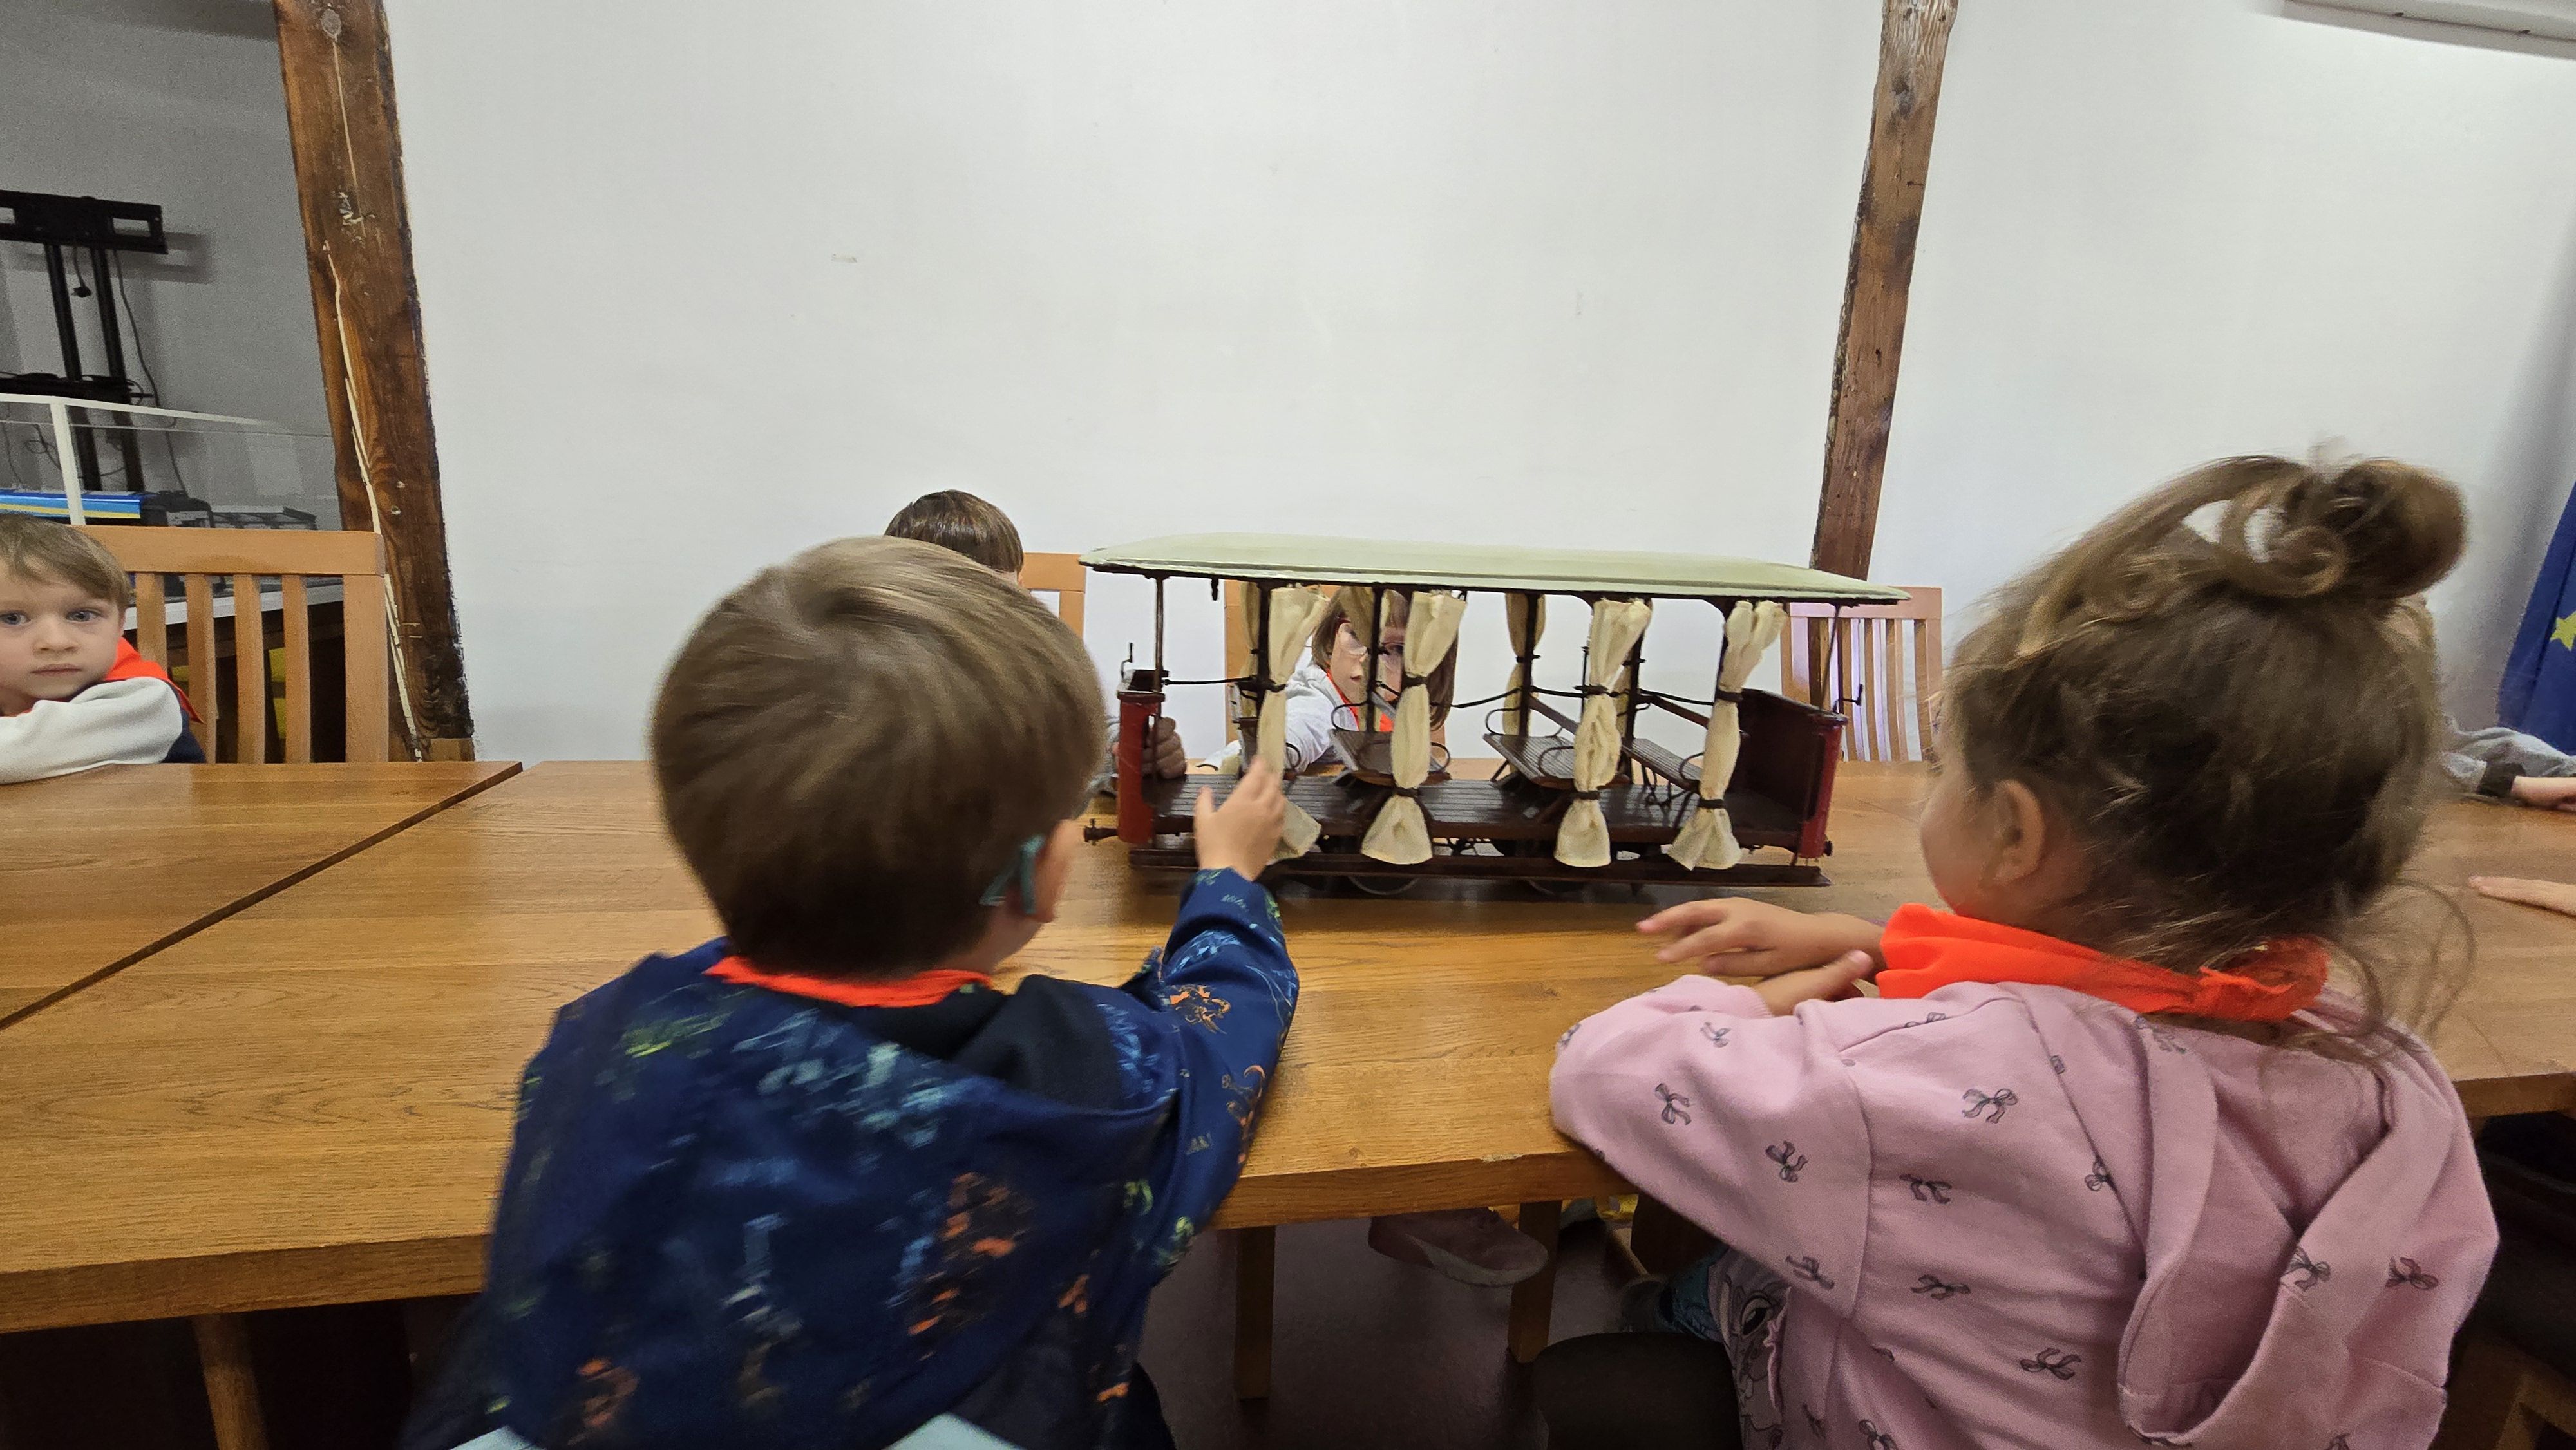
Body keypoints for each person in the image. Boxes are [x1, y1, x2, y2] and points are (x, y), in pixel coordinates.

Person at [1542, 457, 2497, 1450]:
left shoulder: (1916, 1082)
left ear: (2015, 833)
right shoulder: (2392, 1082)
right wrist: (1886, 944)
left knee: (1711, 1286)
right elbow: (2116, 1000)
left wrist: (1758, 1009)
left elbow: (1602, 1072)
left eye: (1943, 769)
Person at [402, 538, 1294, 1450]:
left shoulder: (598, 1044)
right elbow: (1221, 1044)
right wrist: (1228, 880)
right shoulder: (1084, 1078)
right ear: (1038, 875)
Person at [887, 489, 1188, 780]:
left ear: (1021, 589)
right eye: (948, 588)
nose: (974, 607)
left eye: (992, 585)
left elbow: (1088, 731)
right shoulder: (885, 667)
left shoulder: (1041, 659)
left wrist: (1134, 750)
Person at [0, 515, 201, 783]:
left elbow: (12, 755)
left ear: (120, 625)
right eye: (12, 619)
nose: (57, 642)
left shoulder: (143, 699)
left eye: (82, 615)